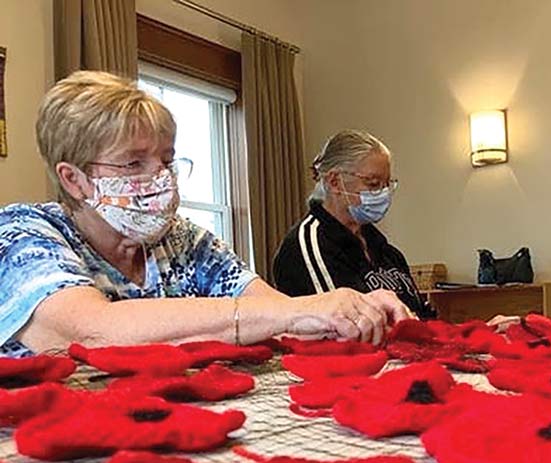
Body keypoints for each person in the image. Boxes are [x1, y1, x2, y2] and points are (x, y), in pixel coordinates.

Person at [0, 72, 412, 358]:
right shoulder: (23, 234)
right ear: (74, 180)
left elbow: (277, 312)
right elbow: (93, 331)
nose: (161, 178)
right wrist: (300, 311)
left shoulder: (182, 241)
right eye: (133, 163)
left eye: (166, 159)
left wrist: (348, 308)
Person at [273, 130, 437, 319]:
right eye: (373, 184)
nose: (383, 193)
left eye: (386, 184)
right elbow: (344, 325)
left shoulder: (386, 251)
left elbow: (420, 313)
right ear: (335, 182)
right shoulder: (308, 246)